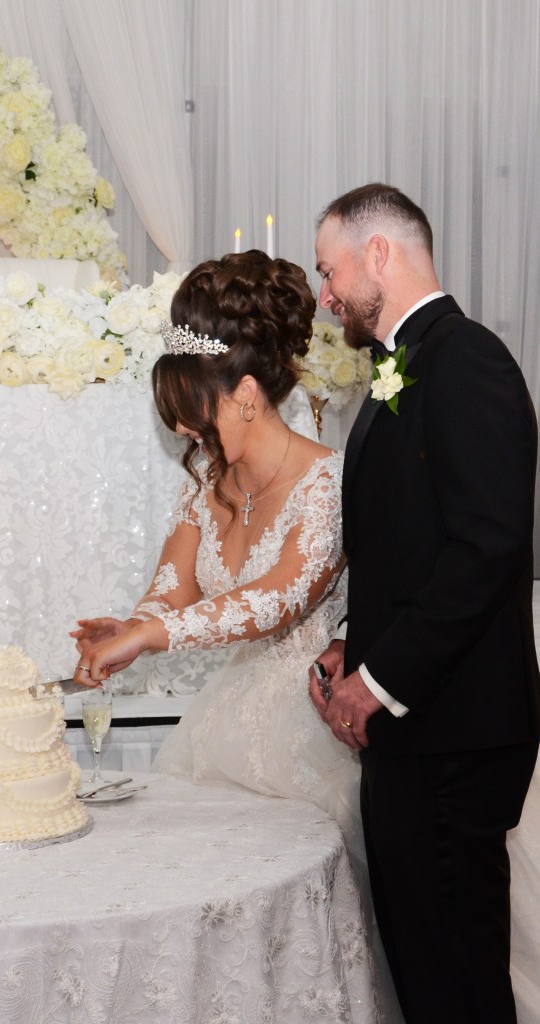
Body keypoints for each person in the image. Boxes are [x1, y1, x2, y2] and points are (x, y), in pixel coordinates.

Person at [71, 248, 405, 1021]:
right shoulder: (207, 483)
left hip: (309, 737)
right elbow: (174, 588)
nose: (187, 428)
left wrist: (152, 640)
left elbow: (278, 601)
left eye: (196, 408)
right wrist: (134, 623)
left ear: (247, 393)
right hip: (223, 729)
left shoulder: (326, 480)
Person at [308, 183, 540, 1024]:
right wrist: (349, 644)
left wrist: (378, 680)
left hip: (454, 732)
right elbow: (401, 545)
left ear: (380, 254)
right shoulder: (402, 364)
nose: (325, 293)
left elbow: (488, 545)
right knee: (423, 964)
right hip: (420, 728)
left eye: (330, 270)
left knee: (456, 980)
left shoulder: (465, 357)